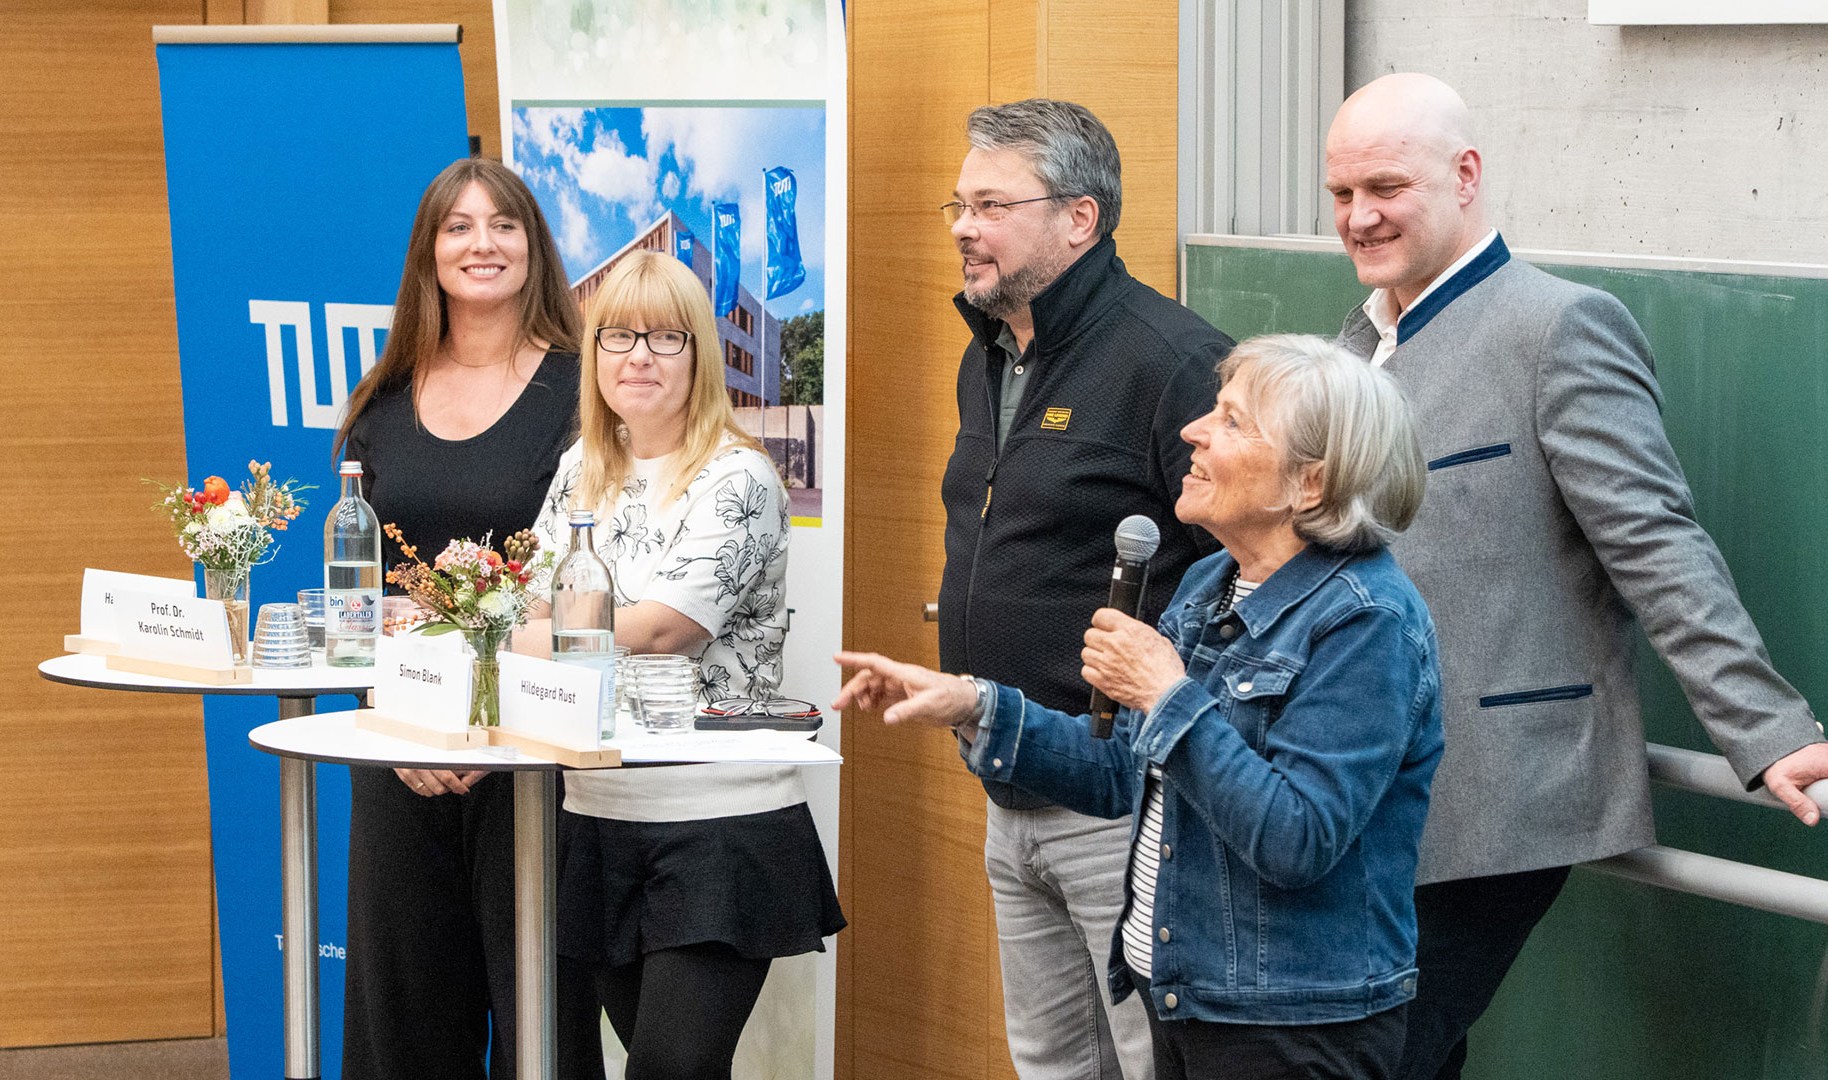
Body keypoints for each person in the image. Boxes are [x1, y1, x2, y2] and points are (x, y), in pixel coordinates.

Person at [1319, 72, 1828, 1080]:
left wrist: (1771, 731)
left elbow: (1656, 542)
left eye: (1386, 188)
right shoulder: (1354, 343)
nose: (1359, 217)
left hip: (1494, 796)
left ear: (1465, 176)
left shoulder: (1560, 327)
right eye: (1342, 194)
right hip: (1353, 785)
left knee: (1369, 1058)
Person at [839, 334, 1443, 1080]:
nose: (1194, 430)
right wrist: (973, 704)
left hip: (1288, 1026)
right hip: (1181, 1000)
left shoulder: (1366, 620)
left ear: (1309, 484)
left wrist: (1166, 693)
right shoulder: (1209, 583)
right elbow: (1120, 770)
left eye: (1231, 420)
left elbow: (1298, 838)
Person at [937, 97, 1233, 1080]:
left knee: (1150, 1063)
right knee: (1052, 1064)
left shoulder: (1174, 362)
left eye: (991, 205)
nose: (964, 227)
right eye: (958, 205)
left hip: (1128, 803)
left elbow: (1250, 568)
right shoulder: (990, 353)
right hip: (1008, 776)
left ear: (1079, 218)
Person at [511, 250, 844, 1080]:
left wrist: (540, 633)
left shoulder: (739, 476)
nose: (639, 357)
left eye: (666, 338)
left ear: (701, 355)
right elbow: (523, 605)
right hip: (599, 810)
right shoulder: (578, 472)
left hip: (718, 821)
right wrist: (541, 628)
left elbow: (664, 631)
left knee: (668, 1069)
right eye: (618, 337)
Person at [334, 157, 583, 1079]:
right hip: (402, 747)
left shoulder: (583, 391)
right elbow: (357, 591)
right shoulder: (382, 401)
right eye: (459, 227)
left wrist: (491, 716)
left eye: (504, 225)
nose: (484, 244)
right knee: (402, 1025)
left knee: (540, 1023)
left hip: (531, 751)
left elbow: (590, 576)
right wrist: (400, 717)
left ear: (534, 246)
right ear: (428, 253)